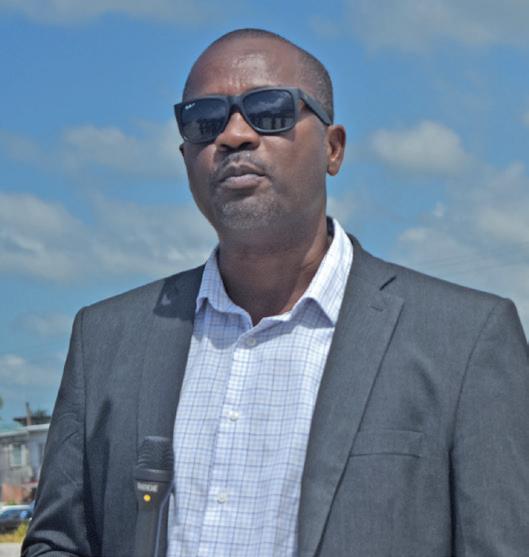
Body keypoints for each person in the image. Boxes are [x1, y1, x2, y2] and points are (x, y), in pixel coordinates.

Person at [23, 28, 529, 557]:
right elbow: (57, 543)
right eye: (205, 120)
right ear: (185, 157)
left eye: (270, 111)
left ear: (333, 148)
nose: (234, 135)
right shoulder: (106, 340)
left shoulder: (464, 341)